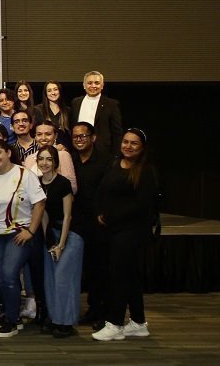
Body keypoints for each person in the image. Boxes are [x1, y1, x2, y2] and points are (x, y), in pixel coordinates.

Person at [92, 129, 158, 341]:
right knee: (130, 276)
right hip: (111, 231)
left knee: (119, 277)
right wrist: (99, 212)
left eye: (134, 143)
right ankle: (138, 322)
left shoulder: (146, 171)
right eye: (126, 142)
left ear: (142, 148)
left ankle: (115, 324)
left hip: (131, 232)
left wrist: (111, 217)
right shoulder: (114, 164)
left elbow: (141, 205)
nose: (128, 146)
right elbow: (102, 191)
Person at [0, 140, 46, 338]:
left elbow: (40, 203)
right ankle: (10, 312)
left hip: (19, 234)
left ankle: (13, 320)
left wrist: (31, 231)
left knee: (8, 275)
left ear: (8, 152)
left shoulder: (25, 175)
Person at [34, 145, 83, 338]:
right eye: (41, 159)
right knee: (51, 278)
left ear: (55, 162)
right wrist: (49, 240)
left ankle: (67, 322)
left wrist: (61, 245)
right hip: (51, 235)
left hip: (69, 234)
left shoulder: (63, 183)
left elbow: (68, 216)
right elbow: (43, 214)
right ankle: (55, 319)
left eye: (49, 159)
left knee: (64, 278)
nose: (44, 163)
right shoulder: (37, 183)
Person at [70, 121, 113, 326]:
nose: (79, 140)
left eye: (83, 136)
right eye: (75, 137)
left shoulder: (106, 161)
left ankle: (103, 312)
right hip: (78, 222)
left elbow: (111, 192)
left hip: (100, 223)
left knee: (101, 269)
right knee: (87, 268)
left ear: (93, 138)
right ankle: (92, 309)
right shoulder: (71, 160)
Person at [70, 71, 123, 157]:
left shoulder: (111, 104)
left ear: (102, 86)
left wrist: (117, 155)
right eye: (89, 83)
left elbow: (117, 132)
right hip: (78, 151)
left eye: (97, 83)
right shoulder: (76, 102)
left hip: (102, 152)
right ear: (84, 85)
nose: (93, 86)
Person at [23, 120, 77, 192]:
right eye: (39, 134)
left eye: (48, 134)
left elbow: (72, 187)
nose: (43, 138)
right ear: (35, 136)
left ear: (55, 136)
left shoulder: (62, 154)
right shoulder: (29, 159)